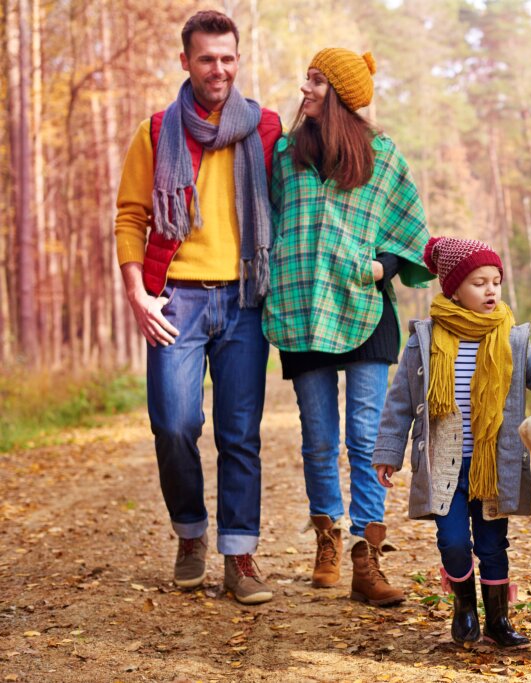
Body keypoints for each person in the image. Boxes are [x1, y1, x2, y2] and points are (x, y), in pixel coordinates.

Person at [114, 11, 282, 604]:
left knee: (241, 434)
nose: (219, 69)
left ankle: (239, 556)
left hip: (243, 298)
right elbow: (132, 215)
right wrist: (137, 292)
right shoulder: (158, 129)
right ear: (185, 61)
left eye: (228, 58)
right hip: (175, 299)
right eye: (207, 58)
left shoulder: (264, 128)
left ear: (239, 60)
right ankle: (190, 534)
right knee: (174, 424)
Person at [261, 47, 433, 604]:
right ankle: (327, 536)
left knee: (364, 436)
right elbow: (269, 220)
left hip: (364, 309)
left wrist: (380, 265)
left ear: (338, 93)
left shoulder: (381, 155)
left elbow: (411, 228)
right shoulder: (285, 153)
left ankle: (366, 553)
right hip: (302, 308)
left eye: (315, 81)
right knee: (318, 440)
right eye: (307, 78)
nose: (304, 88)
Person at [372, 237, 531, 647]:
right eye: (479, 283)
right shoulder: (425, 339)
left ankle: (497, 620)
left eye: (496, 281)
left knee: (494, 544)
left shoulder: (509, 337)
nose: (491, 290)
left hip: (494, 462)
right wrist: (388, 451)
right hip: (444, 462)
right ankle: (464, 608)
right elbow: (400, 400)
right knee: (454, 542)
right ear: (453, 289)